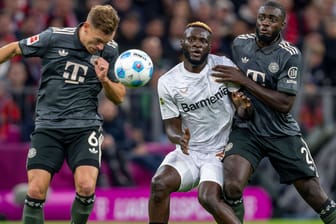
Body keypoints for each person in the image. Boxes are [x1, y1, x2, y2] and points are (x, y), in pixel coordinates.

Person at [211, 1, 336, 223]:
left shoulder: (290, 54)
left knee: (314, 194)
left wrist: (244, 82)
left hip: (280, 130)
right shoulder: (240, 44)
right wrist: (240, 103)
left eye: (272, 19)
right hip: (247, 129)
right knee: (231, 185)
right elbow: (237, 88)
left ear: (282, 24)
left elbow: (284, 103)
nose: (266, 23)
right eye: (262, 18)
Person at [0, 4, 126, 224]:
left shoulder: (111, 50)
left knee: (87, 187)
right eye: (97, 40)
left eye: (104, 42)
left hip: (85, 127)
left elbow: (119, 96)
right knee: (37, 190)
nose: (99, 47)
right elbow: (14, 49)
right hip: (49, 126)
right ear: (86, 26)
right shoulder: (54, 37)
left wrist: (105, 80)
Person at [148, 21, 253, 224]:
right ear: (182, 43)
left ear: (209, 45)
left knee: (207, 198)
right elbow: (170, 126)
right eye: (192, 39)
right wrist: (180, 138)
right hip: (189, 151)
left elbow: (244, 113)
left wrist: (243, 107)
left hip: (220, 151)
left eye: (202, 41)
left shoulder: (223, 67)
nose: (197, 44)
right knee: (158, 184)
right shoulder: (168, 81)